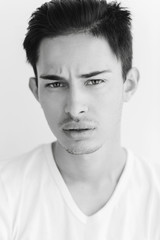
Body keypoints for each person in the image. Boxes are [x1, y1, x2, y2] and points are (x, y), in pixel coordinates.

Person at [0, 0, 160, 239]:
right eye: (55, 84)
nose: (75, 108)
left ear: (129, 84)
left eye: (94, 81)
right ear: (36, 91)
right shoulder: (7, 191)